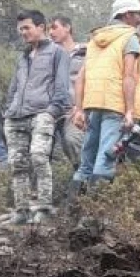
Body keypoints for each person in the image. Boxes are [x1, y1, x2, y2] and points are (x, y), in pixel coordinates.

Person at [69, 0, 140, 192]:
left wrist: (79, 109)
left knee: (87, 161)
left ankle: (74, 212)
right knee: (106, 158)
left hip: (93, 105)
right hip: (115, 105)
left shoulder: (95, 40)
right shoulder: (130, 38)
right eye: (137, 14)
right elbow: (129, 76)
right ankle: (93, 219)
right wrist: (129, 111)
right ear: (127, 15)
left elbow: (81, 78)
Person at [3, 10, 72, 225]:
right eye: (20, 29)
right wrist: (8, 110)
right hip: (15, 117)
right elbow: (14, 87)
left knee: (39, 156)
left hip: (42, 113)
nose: (23, 32)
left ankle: (44, 208)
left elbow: (62, 87)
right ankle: (21, 212)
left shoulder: (57, 53)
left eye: (27, 28)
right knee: (17, 164)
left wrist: (52, 112)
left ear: (41, 27)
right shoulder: (23, 56)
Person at [49, 16, 86, 170]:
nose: (50, 32)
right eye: (48, 29)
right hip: (52, 109)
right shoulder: (48, 54)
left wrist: (81, 107)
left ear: (67, 27)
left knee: (72, 141)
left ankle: (84, 178)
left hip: (76, 109)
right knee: (41, 150)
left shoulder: (86, 51)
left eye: (54, 27)